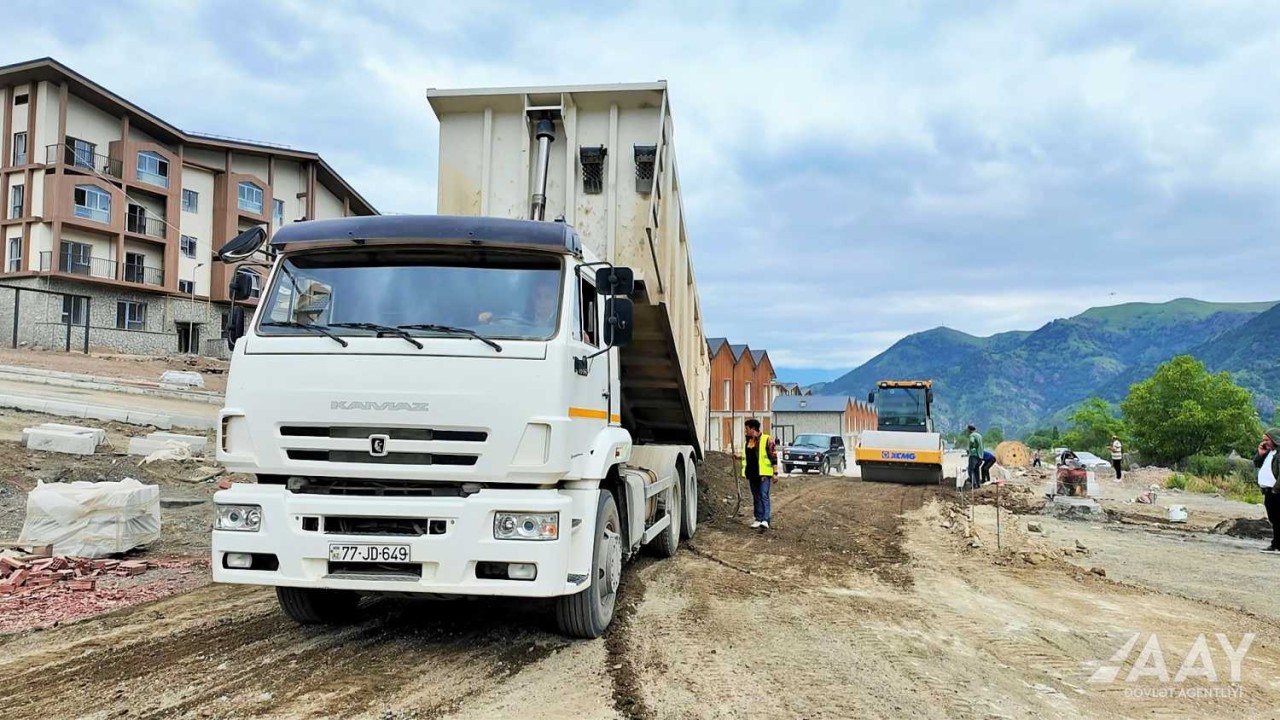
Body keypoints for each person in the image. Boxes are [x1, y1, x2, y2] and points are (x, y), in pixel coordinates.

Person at [738, 419, 778, 530]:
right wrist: (739, 457)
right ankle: (758, 518)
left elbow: (773, 457)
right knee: (756, 497)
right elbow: (749, 456)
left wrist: (775, 473)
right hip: (752, 474)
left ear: (753, 429)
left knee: (763, 495)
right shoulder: (749, 442)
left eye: (747, 429)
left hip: (764, 474)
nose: (745, 431)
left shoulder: (767, 440)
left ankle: (765, 519)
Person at [478, 279, 559, 332]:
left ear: (556, 300)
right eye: (538, 296)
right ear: (532, 299)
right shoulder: (522, 317)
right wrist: (488, 320)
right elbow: (505, 325)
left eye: (548, 297)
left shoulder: (560, 323)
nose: (542, 301)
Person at [1253, 428, 1280, 553]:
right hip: (1269, 491)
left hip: (1277, 492)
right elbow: (1256, 463)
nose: (1264, 442)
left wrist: (1276, 489)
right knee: (1274, 518)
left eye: (1267, 440)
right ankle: (1275, 545)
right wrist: (1260, 453)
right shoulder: (1268, 452)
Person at [966, 424, 983, 490]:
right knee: (976, 470)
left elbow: (972, 441)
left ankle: (974, 484)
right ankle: (978, 484)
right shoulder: (979, 435)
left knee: (970, 470)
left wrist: (971, 448)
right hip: (980, 455)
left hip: (974, 455)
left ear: (969, 430)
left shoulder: (972, 435)